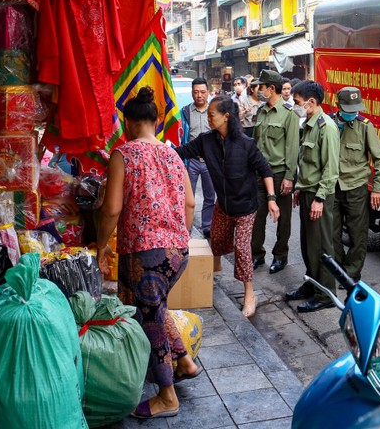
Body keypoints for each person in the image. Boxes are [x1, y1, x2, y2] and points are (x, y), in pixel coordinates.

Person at [96, 87, 200, 420]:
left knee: (151, 319)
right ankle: (184, 361)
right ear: (156, 121)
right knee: (155, 308)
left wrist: (101, 244)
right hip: (176, 251)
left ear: (127, 122)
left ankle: (167, 396)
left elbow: (111, 209)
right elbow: (190, 203)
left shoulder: (122, 154)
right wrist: (178, 236)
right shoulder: (173, 154)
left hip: (144, 253)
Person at [175, 96, 279, 317]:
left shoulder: (246, 144)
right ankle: (212, 269)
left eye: (212, 115)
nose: (208, 118)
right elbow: (180, 152)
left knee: (242, 249)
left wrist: (271, 198)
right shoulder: (206, 141)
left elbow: (265, 170)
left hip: (245, 207)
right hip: (223, 206)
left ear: (226, 116)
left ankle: (250, 294)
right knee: (217, 238)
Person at [285, 80, 340, 313]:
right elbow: (307, 163)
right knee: (308, 245)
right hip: (307, 191)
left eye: (297, 102)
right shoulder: (308, 123)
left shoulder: (326, 127)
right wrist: (299, 187)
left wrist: (319, 198)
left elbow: (331, 168)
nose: (295, 105)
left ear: (311, 102)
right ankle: (311, 284)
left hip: (320, 195)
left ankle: (326, 294)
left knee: (321, 247)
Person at [330, 87, 380, 282]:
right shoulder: (328, 124)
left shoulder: (364, 126)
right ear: (338, 105)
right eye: (348, 109)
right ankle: (338, 268)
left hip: (356, 188)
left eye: (355, 108)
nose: (353, 113)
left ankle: (351, 272)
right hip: (331, 187)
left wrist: (377, 189)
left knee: (358, 234)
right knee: (331, 233)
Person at [250, 70, 300, 274]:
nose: (259, 90)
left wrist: (289, 177)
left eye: (262, 87)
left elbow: (292, 149)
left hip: (280, 174)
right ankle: (257, 255)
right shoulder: (261, 112)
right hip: (259, 174)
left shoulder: (289, 115)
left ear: (271, 89)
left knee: (283, 219)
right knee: (257, 217)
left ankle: (280, 256)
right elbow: (255, 143)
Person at [179, 78, 216, 237]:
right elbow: (181, 135)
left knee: (210, 195)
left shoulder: (215, 110)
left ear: (208, 92)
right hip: (191, 160)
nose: (199, 95)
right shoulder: (185, 111)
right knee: (187, 195)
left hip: (209, 160)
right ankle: (185, 227)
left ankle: (207, 226)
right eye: (196, 92)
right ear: (192, 93)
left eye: (202, 92)